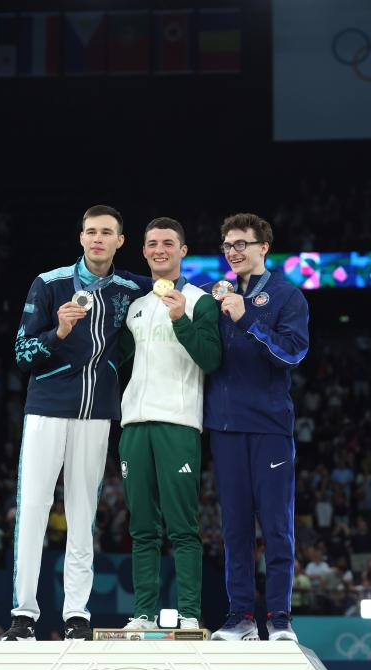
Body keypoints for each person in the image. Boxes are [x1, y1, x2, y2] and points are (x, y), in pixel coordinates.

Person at [2, 205, 150, 642]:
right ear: (81, 237)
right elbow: (22, 355)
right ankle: (23, 615)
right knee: (33, 509)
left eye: (106, 232)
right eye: (91, 232)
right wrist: (59, 332)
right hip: (46, 409)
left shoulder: (129, 288)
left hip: (96, 414)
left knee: (83, 514)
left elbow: (171, 286)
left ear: (120, 241)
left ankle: (76, 615)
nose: (97, 239)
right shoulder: (49, 284)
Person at [205, 213, 309, 642]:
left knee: (276, 525)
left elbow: (291, 354)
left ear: (264, 247)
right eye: (228, 245)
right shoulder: (215, 295)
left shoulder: (287, 296)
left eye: (241, 244)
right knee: (234, 527)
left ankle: (280, 617)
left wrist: (247, 318)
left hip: (269, 426)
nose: (233, 252)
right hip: (224, 426)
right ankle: (241, 616)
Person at [117, 218, 221, 632]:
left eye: (167, 243)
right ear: (144, 251)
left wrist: (180, 318)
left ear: (183, 251)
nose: (159, 249)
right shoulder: (137, 307)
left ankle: (190, 615)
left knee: (182, 527)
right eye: (152, 244)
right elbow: (116, 360)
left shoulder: (200, 302)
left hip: (177, 423)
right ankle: (142, 615)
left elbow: (211, 359)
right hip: (133, 424)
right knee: (142, 528)